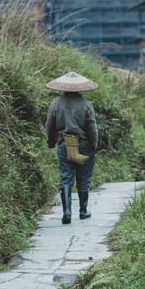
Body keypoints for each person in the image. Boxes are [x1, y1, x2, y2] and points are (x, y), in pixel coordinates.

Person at [45, 71, 98, 224]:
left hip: (64, 145)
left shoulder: (55, 105)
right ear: (80, 88)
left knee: (66, 179)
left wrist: (51, 142)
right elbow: (92, 128)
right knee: (84, 179)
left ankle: (67, 212)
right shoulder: (86, 105)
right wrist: (93, 145)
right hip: (85, 145)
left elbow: (50, 126)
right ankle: (83, 211)